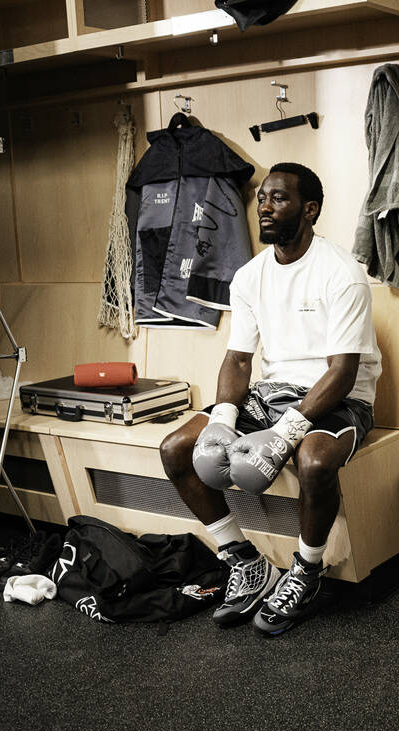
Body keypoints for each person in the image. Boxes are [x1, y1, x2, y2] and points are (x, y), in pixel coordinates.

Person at [159, 163, 381, 636]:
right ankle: (244, 560)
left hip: (339, 397)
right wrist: (222, 418)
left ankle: (307, 570)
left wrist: (287, 431)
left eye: (278, 198)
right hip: (271, 392)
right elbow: (239, 360)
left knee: (316, 463)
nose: (263, 206)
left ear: (310, 209)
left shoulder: (342, 273)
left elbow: (342, 373)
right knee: (178, 448)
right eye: (261, 198)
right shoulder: (250, 276)